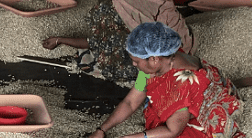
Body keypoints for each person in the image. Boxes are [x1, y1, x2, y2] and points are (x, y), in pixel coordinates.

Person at [75, 22, 245, 138]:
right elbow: (130, 102)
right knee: (155, 116)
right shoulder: (164, 56)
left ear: (154, 59)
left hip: (212, 117)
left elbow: (173, 130)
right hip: (195, 98)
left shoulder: (180, 82)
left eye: (136, 61)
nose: (134, 65)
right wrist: (101, 130)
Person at [42, 0, 194, 82]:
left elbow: (133, 101)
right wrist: (60, 40)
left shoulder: (164, 71)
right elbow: (131, 102)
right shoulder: (128, 22)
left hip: (163, 48)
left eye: (136, 61)